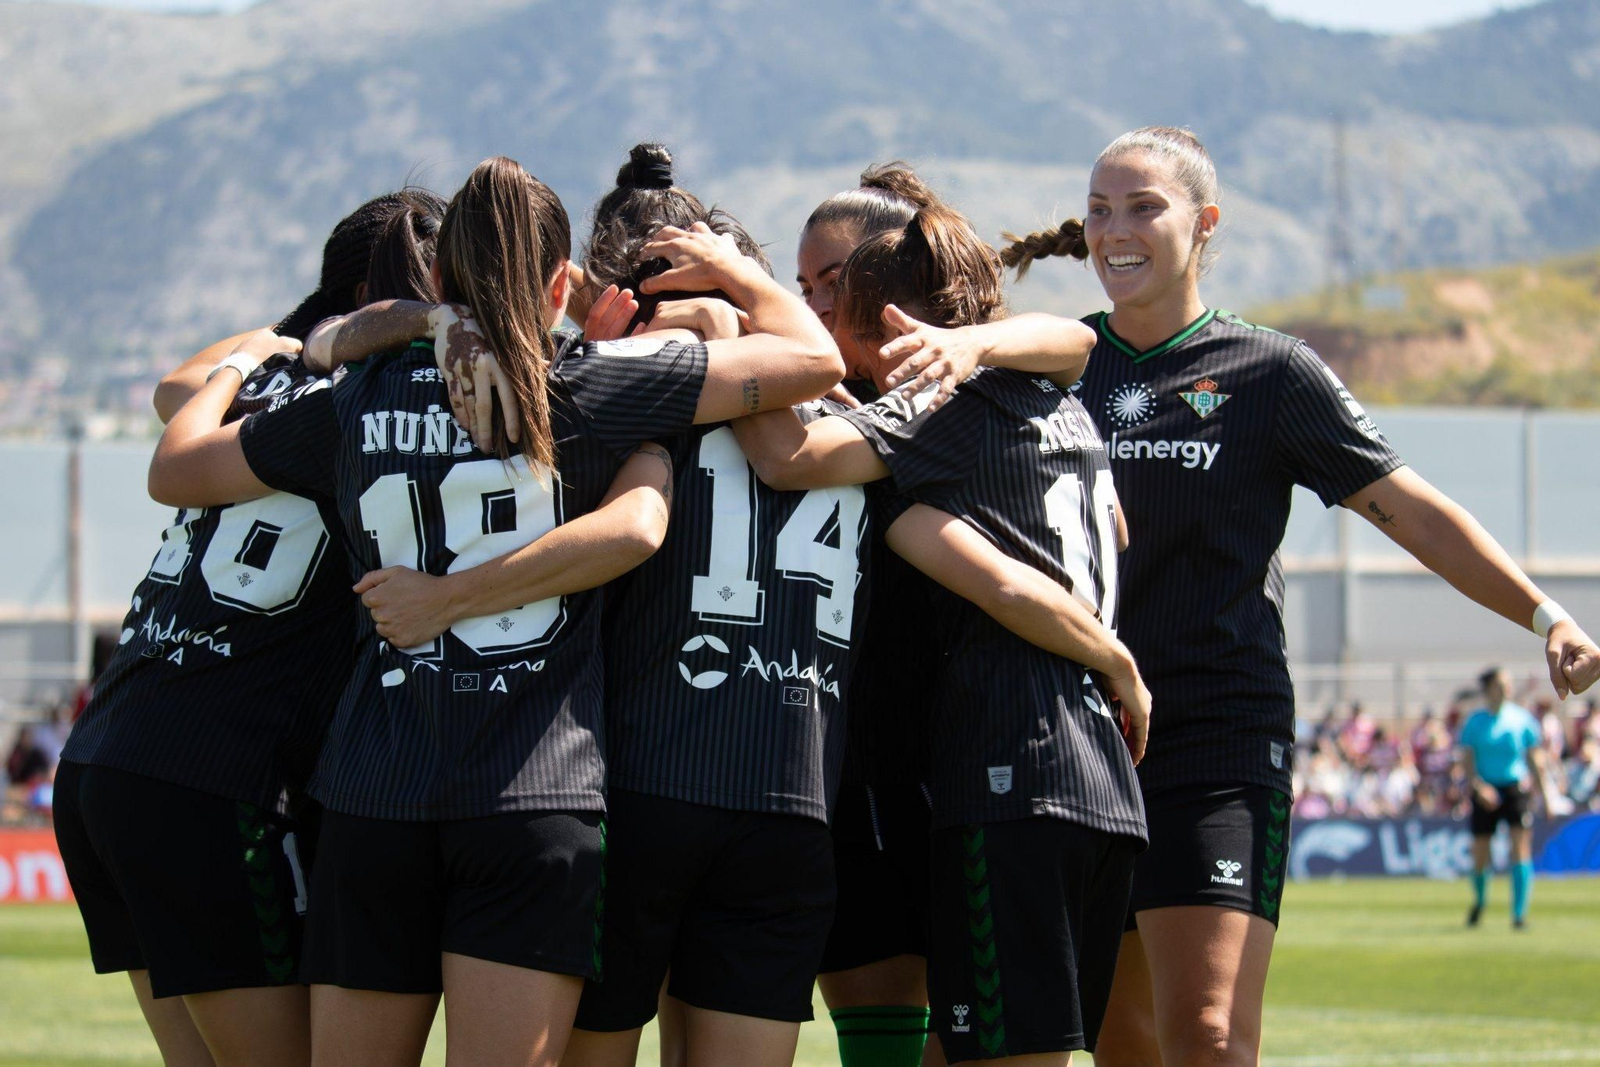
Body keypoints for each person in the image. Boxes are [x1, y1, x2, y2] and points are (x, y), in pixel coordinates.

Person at [1000, 124, 1600, 1066]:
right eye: (1100, 209)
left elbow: (1413, 511)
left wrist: (1545, 613)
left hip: (1219, 735)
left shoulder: (1271, 372)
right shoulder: (1056, 365)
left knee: (1209, 1037)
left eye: (1144, 207)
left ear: (1206, 223)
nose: (1116, 230)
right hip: (1081, 737)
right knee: (1126, 1045)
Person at [733, 191, 1149, 1066]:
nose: (826, 332)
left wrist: (732, 335)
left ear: (890, 324)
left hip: (1015, 770)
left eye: (836, 306)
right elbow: (1078, 354)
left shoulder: (934, 408)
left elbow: (785, 459)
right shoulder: (1054, 396)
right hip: (1102, 784)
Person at [52, 189, 437, 1067]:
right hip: (211, 774)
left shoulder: (250, 386)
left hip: (104, 757)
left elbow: (172, 386)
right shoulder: (366, 406)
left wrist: (277, 342)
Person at [797, 164, 948, 1067]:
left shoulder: (963, 395)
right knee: (876, 1017)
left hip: (955, 750)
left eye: (834, 282)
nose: (815, 305)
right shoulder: (789, 401)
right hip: (837, 753)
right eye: (803, 286)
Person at [1458, 667, 1548, 929]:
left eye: (1508, 683)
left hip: (1514, 789)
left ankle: (1519, 915)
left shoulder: (1521, 719)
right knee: (1481, 853)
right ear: (1488, 689)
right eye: (1500, 684)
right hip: (1485, 790)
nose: (1507, 688)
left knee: (1520, 848)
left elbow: (1534, 760)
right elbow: (1467, 761)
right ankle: (1480, 901)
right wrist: (1478, 787)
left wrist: (1546, 796)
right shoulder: (1475, 722)